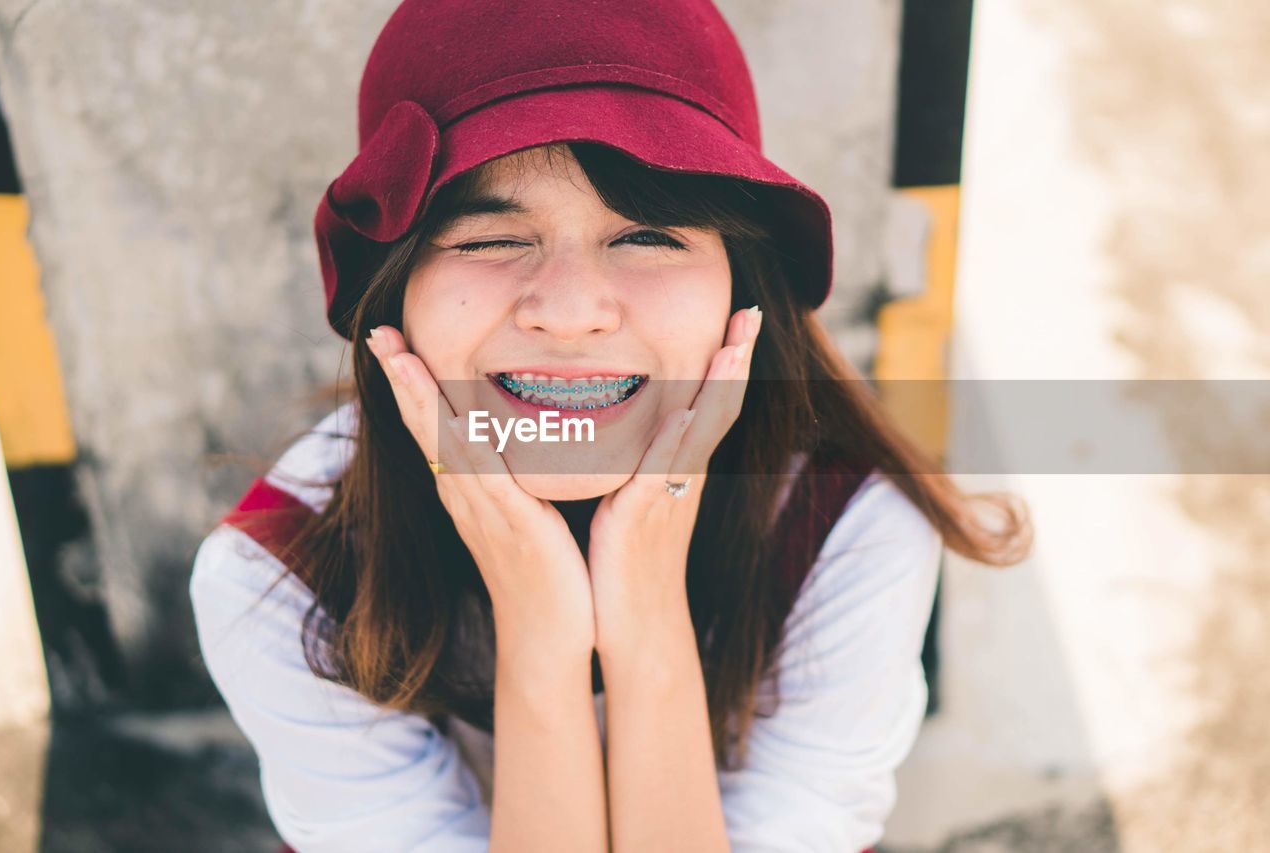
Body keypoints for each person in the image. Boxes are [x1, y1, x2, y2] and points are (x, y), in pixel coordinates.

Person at [189, 1, 1033, 851]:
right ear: (393, 290)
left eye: (650, 234)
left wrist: (648, 620)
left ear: (743, 292)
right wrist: (539, 643)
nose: (571, 312)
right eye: (486, 237)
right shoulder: (277, 577)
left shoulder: (848, 528)